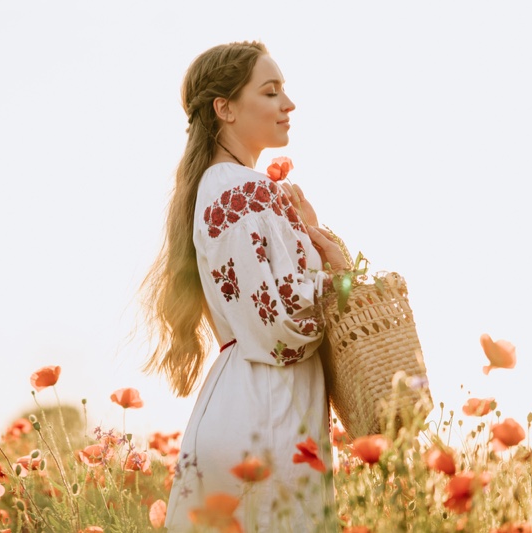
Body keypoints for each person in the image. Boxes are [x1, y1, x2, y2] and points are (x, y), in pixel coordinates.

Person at [141, 41, 348, 531]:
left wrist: (308, 234)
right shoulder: (243, 189)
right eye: (271, 91)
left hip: (246, 399)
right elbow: (280, 326)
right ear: (225, 108)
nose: (288, 104)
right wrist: (338, 278)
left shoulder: (220, 186)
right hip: (269, 410)